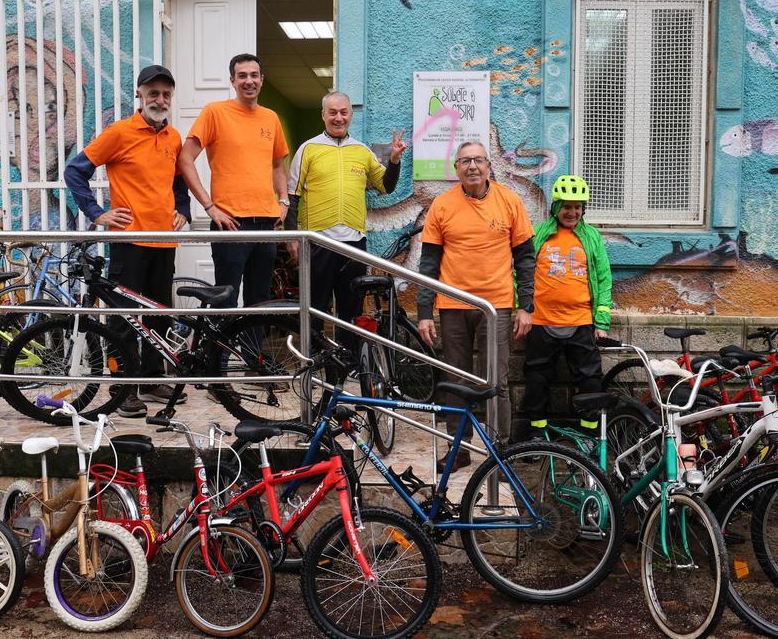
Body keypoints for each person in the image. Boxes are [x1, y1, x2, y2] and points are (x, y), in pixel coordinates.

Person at [64, 64, 191, 416]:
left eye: (166, 94)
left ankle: (152, 378)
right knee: (122, 319)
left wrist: (183, 208)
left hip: (164, 242)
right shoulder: (119, 133)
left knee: (159, 317)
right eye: (153, 93)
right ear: (139, 95)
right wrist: (96, 213)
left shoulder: (174, 138)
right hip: (129, 242)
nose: (160, 99)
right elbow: (75, 170)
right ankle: (123, 389)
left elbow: (178, 182)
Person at [417, 140, 535, 470]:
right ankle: (459, 448)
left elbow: (525, 258)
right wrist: (425, 313)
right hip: (452, 305)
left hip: (495, 306)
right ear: (455, 169)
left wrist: (527, 305)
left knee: (495, 379)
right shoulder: (441, 206)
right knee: (456, 380)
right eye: (464, 161)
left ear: (488, 165)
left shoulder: (510, 201)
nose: (472, 166)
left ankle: (500, 448)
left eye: (478, 160)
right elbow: (429, 264)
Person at [285, 91, 407, 352]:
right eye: (332, 112)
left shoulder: (361, 152)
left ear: (351, 115)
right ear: (323, 115)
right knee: (315, 306)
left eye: (343, 112)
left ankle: (349, 361)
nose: (338, 118)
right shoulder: (308, 149)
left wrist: (395, 160)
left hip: (354, 243)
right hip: (317, 242)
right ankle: (314, 360)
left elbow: (386, 186)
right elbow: (292, 195)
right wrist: (292, 238)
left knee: (351, 308)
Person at [177, 53, 290, 308]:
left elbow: (277, 165)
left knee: (260, 300)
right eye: (242, 76)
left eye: (253, 75)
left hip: (266, 225)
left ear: (262, 80)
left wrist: (283, 201)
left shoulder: (270, 118)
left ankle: (250, 351)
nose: (248, 81)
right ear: (232, 80)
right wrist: (209, 206)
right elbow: (185, 159)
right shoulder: (215, 112)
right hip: (230, 224)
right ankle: (220, 350)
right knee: (224, 300)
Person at [520, 175, 613, 439]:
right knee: (537, 381)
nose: (572, 212)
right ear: (555, 207)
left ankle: (591, 438)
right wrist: (522, 307)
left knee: (590, 381)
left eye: (578, 206)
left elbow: (604, 277)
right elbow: (522, 272)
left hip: (581, 322)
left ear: (584, 208)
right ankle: (537, 437)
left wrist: (602, 320)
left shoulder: (591, 236)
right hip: (541, 322)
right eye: (566, 206)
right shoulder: (538, 234)